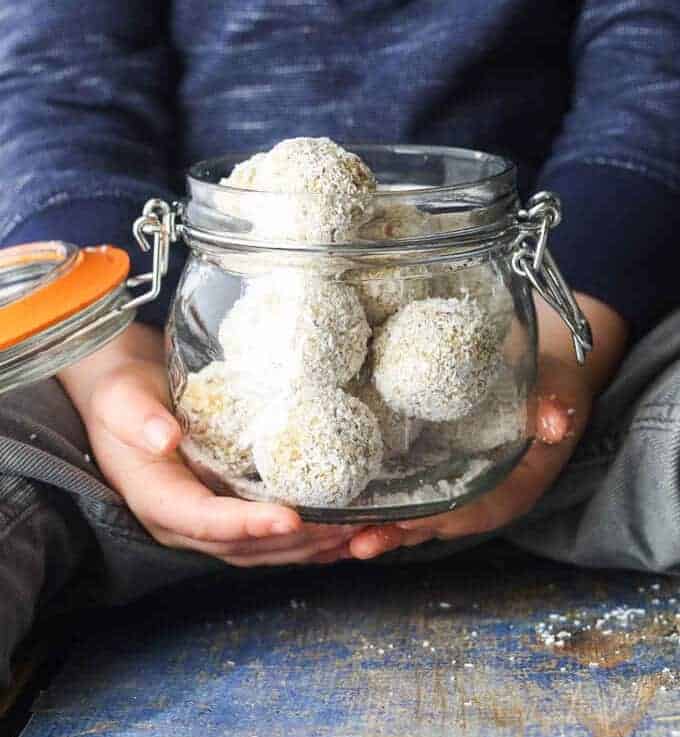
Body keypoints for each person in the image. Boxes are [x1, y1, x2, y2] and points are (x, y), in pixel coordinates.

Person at [0, 1, 679, 688]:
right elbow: (61, 88)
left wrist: (563, 338)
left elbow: (656, 76)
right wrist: (109, 358)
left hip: (548, 341)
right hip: (166, 359)